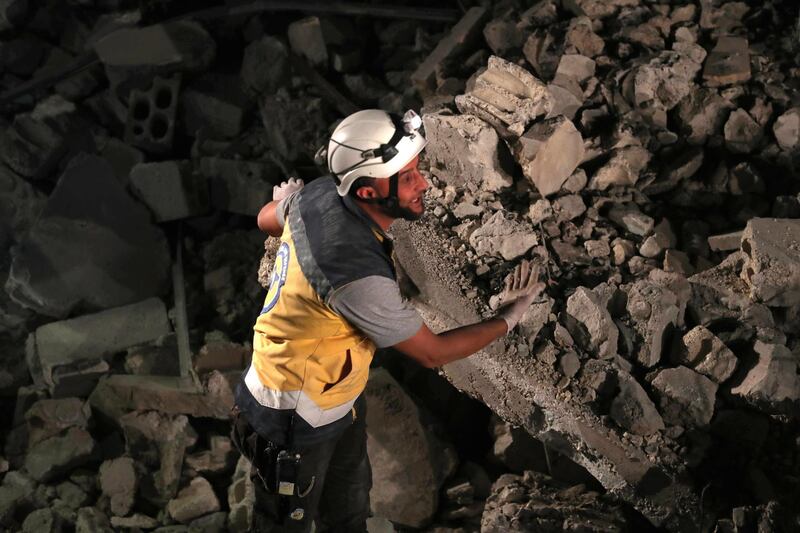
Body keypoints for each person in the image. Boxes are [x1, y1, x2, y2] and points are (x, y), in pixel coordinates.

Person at [231, 109, 545, 532]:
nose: (424, 184)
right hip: (291, 418)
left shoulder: (319, 195)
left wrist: (289, 200)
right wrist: (508, 318)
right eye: (407, 177)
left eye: (417, 170)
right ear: (365, 192)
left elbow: (266, 217)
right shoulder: (355, 276)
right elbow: (432, 353)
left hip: (334, 399)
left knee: (347, 511)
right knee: (285, 525)